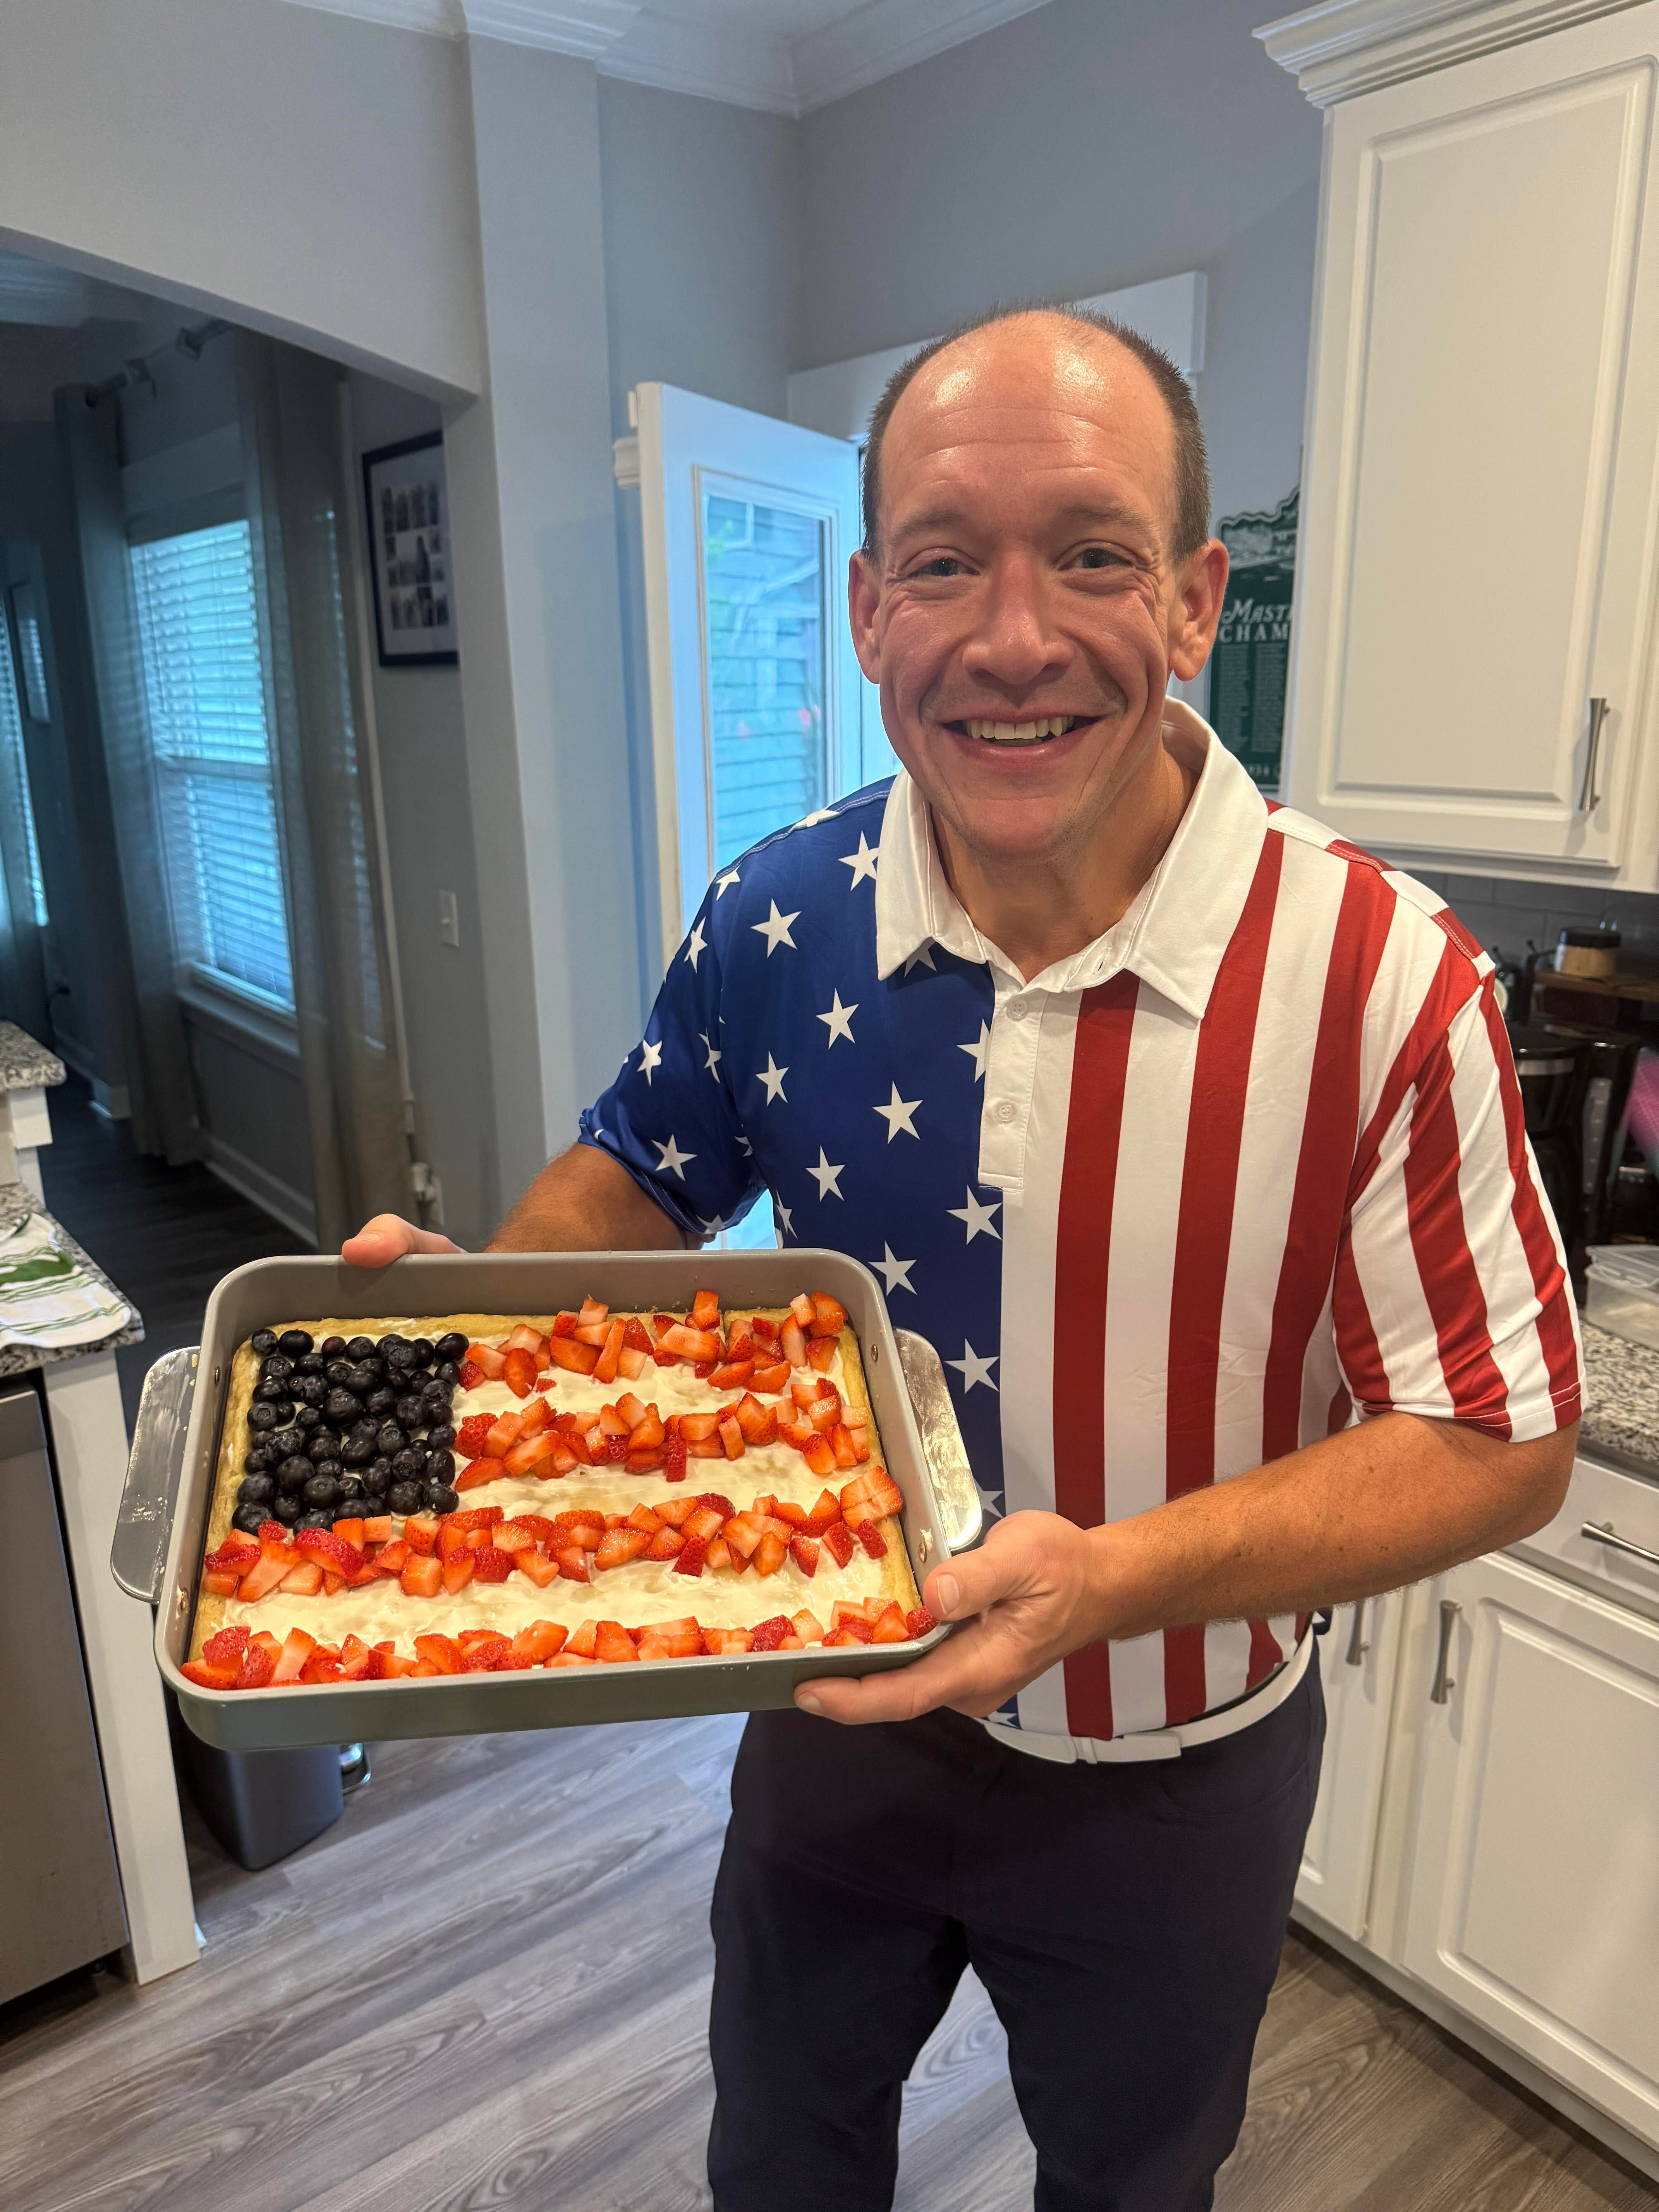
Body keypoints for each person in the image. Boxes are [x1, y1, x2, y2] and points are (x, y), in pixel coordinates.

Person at [345, 306, 1581, 2212]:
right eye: (944, 562)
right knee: (783, 2151)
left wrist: (1109, 1583)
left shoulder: (1384, 981)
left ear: (1190, 600)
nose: (1013, 639)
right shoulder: (777, 916)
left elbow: (1501, 1433)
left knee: (1131, 2180)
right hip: (837, 1713)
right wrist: (482, 1326)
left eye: (1092, 554)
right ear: (865, 615)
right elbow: (638, 1174)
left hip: (1178, 1763)